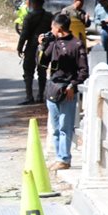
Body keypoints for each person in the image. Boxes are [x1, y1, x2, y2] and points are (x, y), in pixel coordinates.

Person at [41, 14, 89, 171]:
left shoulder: (76, 44)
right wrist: (41, 46)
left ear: (59, 28)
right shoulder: (53, 43)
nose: (50, 30)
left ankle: (65, 159)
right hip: (52, 89)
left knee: (65, 127)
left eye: (52, 27)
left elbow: (84, 71)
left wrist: (72, 86)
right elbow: (42, 63)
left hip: (67, 91)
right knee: (55, 129)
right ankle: (58, 157)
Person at [17, 0, 52, 105]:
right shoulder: (49, 16)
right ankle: (41, 96)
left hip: (32, 47)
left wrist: (19, 47)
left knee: (28, 72)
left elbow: (24, 34)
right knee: (42, 72)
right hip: (45, 46)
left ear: (34, 4)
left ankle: (29, 96)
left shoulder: (29, 17)